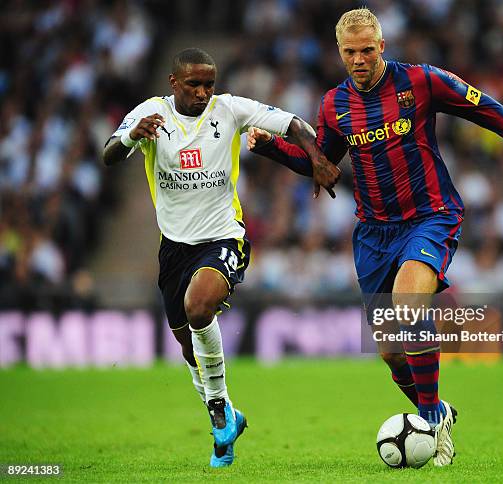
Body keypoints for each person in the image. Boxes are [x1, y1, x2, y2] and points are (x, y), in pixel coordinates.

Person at [247, 7, 503, 467]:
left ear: (382, 46)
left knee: (409, 306)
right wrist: (271, 147)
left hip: (430, 215)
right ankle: (438, 410)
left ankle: (430, 422)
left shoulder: (421, 82)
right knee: (390, 351)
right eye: (350, 52)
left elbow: (481, 104)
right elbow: (320, 162)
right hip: (373, 233)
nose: (360, 59)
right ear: (340, 53)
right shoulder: (334, 105)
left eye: (368, 50)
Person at [102, 48, 339, 468]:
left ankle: (216, 412)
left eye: (208, 84)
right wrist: (130, 135)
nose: (202, 91)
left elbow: (294, 124)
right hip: (174, 246)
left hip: (223, 237)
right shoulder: (151, 114)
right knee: (188, 346)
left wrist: (317, 159)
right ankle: (226, 418)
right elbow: (108, 153)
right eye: (193, 84)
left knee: (199, 307)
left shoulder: (228, 109)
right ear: (174, 83)